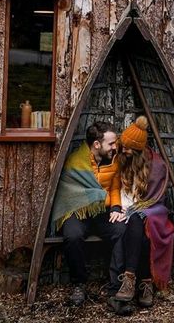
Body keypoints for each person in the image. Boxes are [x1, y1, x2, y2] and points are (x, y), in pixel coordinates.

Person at [51, 121, 126, 307]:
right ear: (97, 144)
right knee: (72, 235)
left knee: (121, 229)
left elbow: (115, 187)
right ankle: (79, 284)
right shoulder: (76, 161)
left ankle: (116, 287)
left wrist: (116, 208)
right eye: (111, 143)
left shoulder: (114, 160)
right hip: (79, 209)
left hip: (103, 210)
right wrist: (103, 200)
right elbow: (72, 193)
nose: (115, 147)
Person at [111, 115, 174, 309]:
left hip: (154, 209)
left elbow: (153, 199)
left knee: (140, 220)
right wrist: (122, 208)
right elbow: (122, 189)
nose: (124, 150)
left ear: (139, 151)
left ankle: (133, 280)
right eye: (124, 146)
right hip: (133, 210)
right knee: (140, 228)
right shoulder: (123, 159)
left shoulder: (156, 166)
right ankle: (142, 281)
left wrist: (131, 210)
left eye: (129, 148)